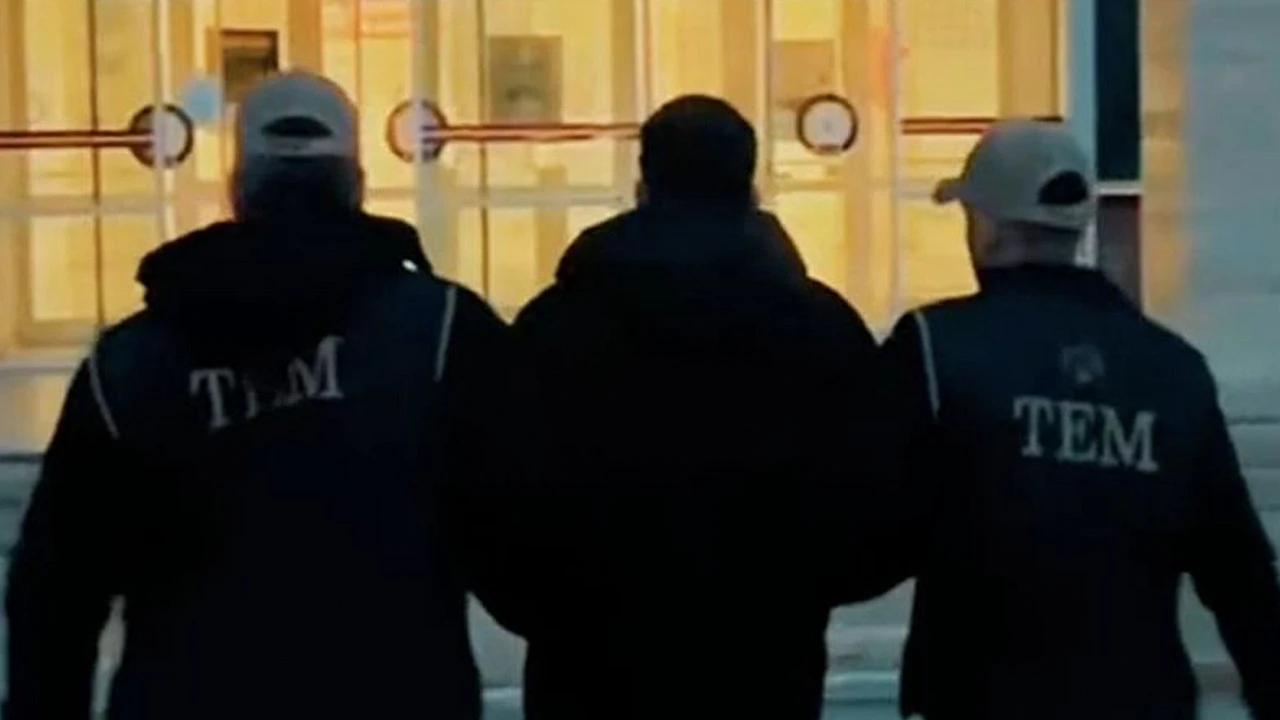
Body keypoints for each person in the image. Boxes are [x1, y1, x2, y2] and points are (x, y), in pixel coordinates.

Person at [4, 72, 508, 720]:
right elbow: (519, 532)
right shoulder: (439, 332)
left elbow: (57, 585)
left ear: (238, 189)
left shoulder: (132, 361)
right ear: (355, 184)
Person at [493, 95, 894, 720]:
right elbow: (878, 502)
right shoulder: (817, 326)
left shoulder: (559, 323)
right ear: (752, 189)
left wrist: (552, 611)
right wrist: (798, 592)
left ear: (642, 186)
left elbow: (495, 495)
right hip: (764, 662)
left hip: (589, 665)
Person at [880, 119, 1280, 720]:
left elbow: (872, 528)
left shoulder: (936, 347)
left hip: (983, 697)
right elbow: (1237, 569)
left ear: (985, 226)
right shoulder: (1173, 368)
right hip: (1142, 698)